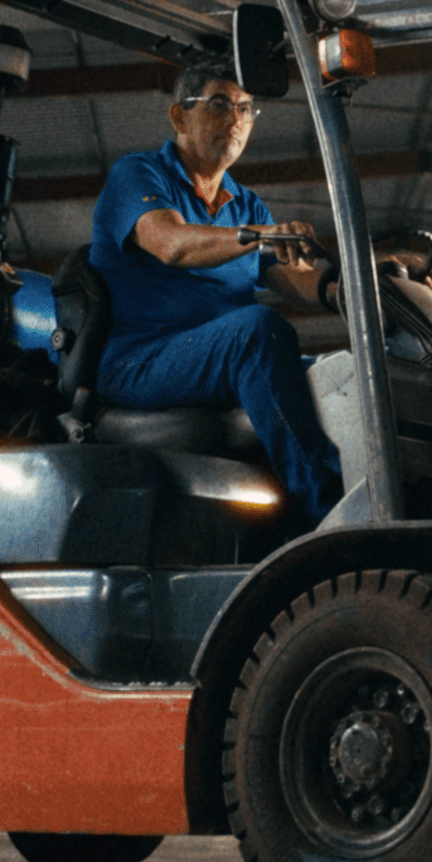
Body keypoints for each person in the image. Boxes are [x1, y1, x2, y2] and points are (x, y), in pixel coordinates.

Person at [88, 50, 344, 522]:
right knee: (258, 330)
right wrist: (259, 236)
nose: (237, 120)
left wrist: (366, 282)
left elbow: (298, 283)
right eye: (220, 105)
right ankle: (326, 513)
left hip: (219, 360)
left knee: (342, 373)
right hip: (139, 361)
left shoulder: (245, 204)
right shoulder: (138, 174)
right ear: (179, 116)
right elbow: (170, 244)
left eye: (246, 109)